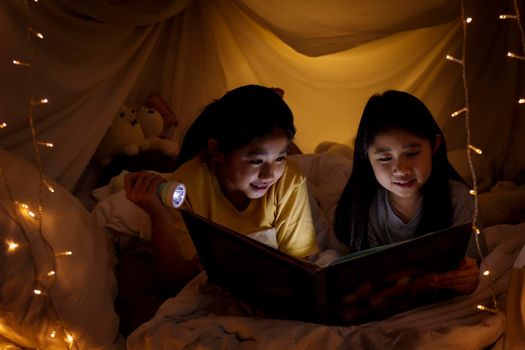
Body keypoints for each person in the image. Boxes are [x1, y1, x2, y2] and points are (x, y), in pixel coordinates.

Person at [124, 84, 319, 292]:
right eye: (256, 161)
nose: (270, 175)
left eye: (280, 157)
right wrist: (158, 215)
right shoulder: (186, 186)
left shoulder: (289, 178)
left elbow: (299, 268)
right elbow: (175, 282)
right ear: (216, 151)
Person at [334, 90, 482, 294]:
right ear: (366, 157)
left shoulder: (458, 199)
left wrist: (468, 275)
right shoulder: (364, 207)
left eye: (412, 153)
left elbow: (473, 261)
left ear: (435, 146)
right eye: (385, 159)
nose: (402, 170)